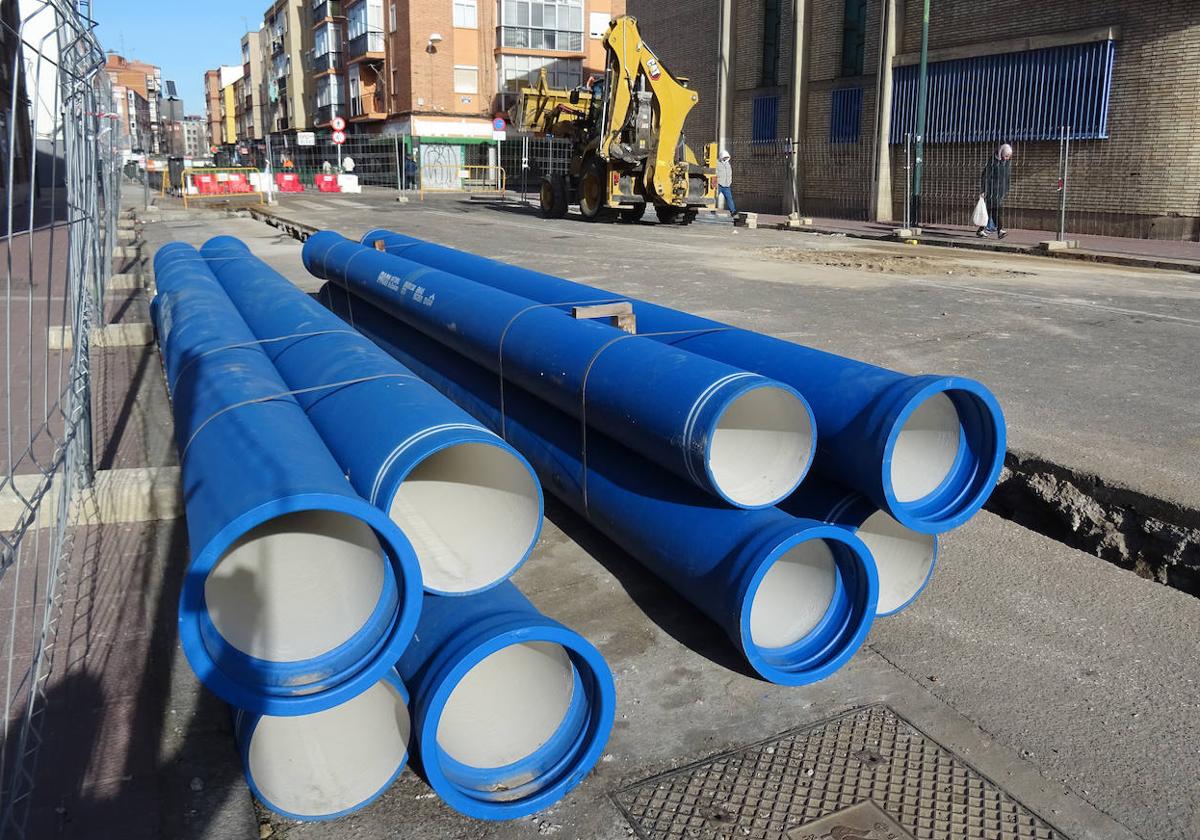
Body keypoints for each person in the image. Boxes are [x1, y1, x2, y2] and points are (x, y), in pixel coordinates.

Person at [978, 143, 1013, 239]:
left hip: (1000, 191)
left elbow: (1007, 177)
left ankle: (981, 230)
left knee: (990, 211)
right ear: (1001, 153)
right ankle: (1000, 230)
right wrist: (984, 189)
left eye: (1009, 156)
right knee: (996, 210)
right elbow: (986, 176)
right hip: (991, 191)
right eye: (1006, 156)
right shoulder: (993, 162)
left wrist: (1006, 189)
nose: (1007, 158)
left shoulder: (1006, 163)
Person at [716, 149, 736, 216]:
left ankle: (733, 211)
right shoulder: (717, 163)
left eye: (727, 157)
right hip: (719, 184)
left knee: (729, 198)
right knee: (714, 197)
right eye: (724, 157)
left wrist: (730, 182)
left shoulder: (728, 164)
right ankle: (711, 210)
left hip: (727, 185)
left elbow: (730, 174)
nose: (726, 159)